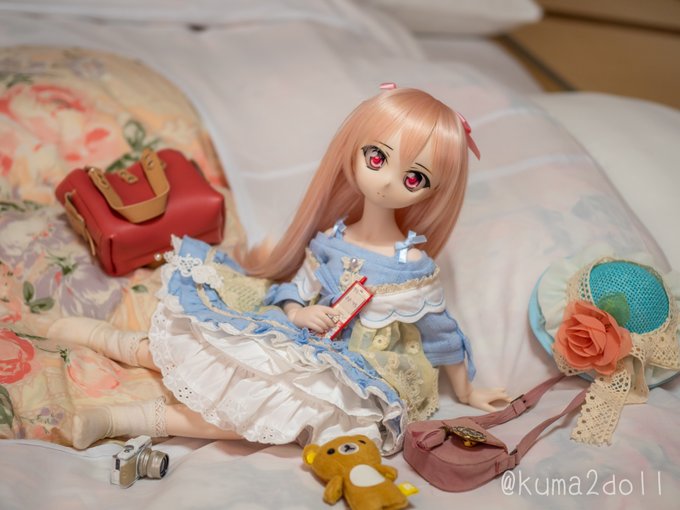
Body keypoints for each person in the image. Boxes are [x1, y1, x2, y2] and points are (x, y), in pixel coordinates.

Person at [48, 86, 509, 453]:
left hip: (355, 371)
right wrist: (297, 311)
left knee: (271, 415)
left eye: (414, 178)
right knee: (221, 354)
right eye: (377, 157)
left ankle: (122, 419)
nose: (387, 181)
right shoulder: (332, 237)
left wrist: (467, 391)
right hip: (300, 338)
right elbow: (295, 286)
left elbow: (440, 334)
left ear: (433, 190)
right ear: (353, 150)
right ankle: (114, 342)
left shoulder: (411, 267)